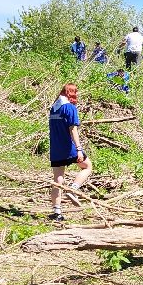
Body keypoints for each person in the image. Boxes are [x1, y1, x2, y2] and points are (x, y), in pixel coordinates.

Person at [48, 83, 93, 220]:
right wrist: (79, 149)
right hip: (68, 147)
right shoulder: (69, 108)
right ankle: (73, 189)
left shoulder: (54, 108)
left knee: (58, 179)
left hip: (55, 148)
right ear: (72, 93)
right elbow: (73, 129)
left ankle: (57, 213)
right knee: (88, 166)